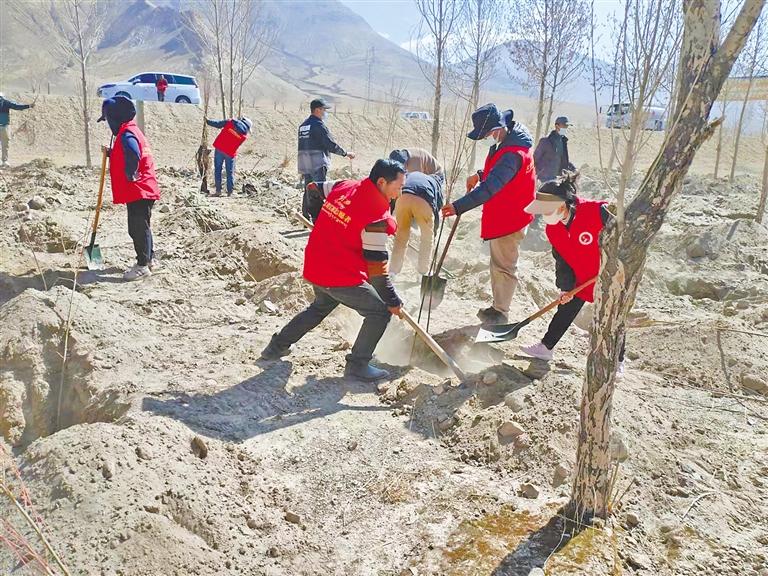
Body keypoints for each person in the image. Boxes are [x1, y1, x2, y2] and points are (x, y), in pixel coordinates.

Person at [261, 159, 406, 382]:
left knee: (320, 306)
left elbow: (313, 188)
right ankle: (357, 365)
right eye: (398, 187)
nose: (399, 193)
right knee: (380, 312)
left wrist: (320, 218)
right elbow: (377, 272)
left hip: (316, 262)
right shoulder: (376, 217)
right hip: (337, 273)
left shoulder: (345, 185)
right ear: (381, 182)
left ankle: (276, 346)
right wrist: (393, 301)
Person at [519, 172, 625, 374]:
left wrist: (616, 265)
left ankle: (617, 361)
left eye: (546, 210)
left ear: (562, 205)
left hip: (610, 276)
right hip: (582, 278)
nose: (543, 216)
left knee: (613, 316)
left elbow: (624, 235)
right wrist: (566, 287)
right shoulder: (553, 230)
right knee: (565, 308)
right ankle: (546, 347)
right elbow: (562, 260)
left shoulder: (597, 212)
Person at [441, 103, 536, 325]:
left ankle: (500, 313)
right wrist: (480, 174)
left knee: (504, 267)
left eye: (487, 134)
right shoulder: (511, 141)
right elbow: (498, 173)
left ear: (498, 128)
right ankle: (498, 308)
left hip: (511, 218)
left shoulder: (513, 153)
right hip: (509, 213)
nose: (486, 138)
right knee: (500, 265)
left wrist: (458, 206)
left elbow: (490, 188)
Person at [97, 96, 161, 281]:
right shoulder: (132, 130)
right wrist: (112, 153)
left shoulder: (126, 134)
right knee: (143, 227)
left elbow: (133, 152)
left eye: (108, 119)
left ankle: (142, 266)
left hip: (138, 189)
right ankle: (150, 259)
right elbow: (127, 152)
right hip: (144, 188)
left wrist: (131, 173)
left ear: (114, 117)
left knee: (137, 228)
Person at [297, 98, 355, 221]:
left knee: (308, 189)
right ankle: (318, 220)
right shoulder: (319, 125)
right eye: (324, 109)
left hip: (305, 163)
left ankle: (305, 217)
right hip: (317, 163)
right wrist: (345, 153)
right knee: (318, 191)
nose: (325, 112)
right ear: (317, 110)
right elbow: (329, 144)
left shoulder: (303, 126)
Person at [205, 116, 252, 196]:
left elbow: (217, 124)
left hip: (219, 148)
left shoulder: (230, 122)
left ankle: (218, 191)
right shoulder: (244, 137)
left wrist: (208, 121)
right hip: (230, 153)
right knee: (230, 172)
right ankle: (230, 192)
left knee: (218, 170)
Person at [533, 115, 576, 182]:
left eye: (566, 126)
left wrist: (574, 169)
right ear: (556, 126)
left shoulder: (563, 142)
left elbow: (564, 161)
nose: (565, 128)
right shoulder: (545, 142)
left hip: (558, 179)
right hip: (543, 180)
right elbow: (534, 159)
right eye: (564, 126)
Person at [0, 92, 34, 167]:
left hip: (4, 126)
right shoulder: (6, 102)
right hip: (4, 126)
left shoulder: (5, 102)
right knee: (5, 144)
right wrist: (29, 106)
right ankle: (4, 161)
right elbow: (17, 106)